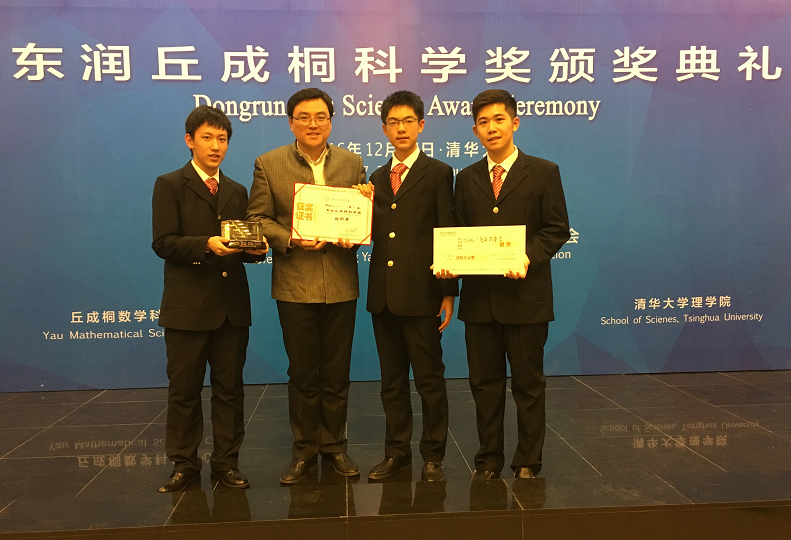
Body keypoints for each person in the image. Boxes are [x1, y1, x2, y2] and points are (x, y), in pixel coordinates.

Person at [246, 88, 365, 484]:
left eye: (320, 117)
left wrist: (354, 233)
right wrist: (292, 238)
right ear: (291, 122)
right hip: (295, 284)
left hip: (341, 283)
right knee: (302, 371)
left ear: (331, 121)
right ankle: (304, 450)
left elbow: (361, 216)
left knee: (336, 371)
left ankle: (335, 447)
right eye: (304, 117)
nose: (313, 124)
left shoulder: (352, 163)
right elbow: (258, 218)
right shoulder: (269, 163)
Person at [450, 89, 570, 479]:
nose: (492, 128)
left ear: (514, 122)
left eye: (499, 119)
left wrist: (526, 257)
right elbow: (459, 233)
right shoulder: (466, 178)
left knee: (528, 385)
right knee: (484, 385)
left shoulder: (544, 171)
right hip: (480, 302)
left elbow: (556, 229)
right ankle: (488, 460)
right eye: (483, 122)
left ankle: (528, 460)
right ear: (475, 131)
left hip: (526, 298)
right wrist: (451, 263)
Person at [152, 105, 267, 493]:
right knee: (184, 391)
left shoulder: (236, 190)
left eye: (222, 139)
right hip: (187, 308)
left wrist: (257, 251)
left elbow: (243, 244)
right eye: (207, 138)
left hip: (231, 309)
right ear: (190, 141)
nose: (216, 146)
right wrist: (206, 244)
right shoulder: (170, 184)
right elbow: (163, 242)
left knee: (230, 391)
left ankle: (226, 463)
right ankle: (184, 464)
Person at [356, 91, 457, 482]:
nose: (401, 128)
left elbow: (447, 232)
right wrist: (358, 205)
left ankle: (433, 455)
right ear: (384, 129)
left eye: (408, 121)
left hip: (422, 294)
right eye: (393, 123)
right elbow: (365, 231)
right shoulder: (375, 179)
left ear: (421, 125)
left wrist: (448, 291)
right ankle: (396, 452)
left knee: (429, 379)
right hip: (383, 296)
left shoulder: (439, 173)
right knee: (392, 382)